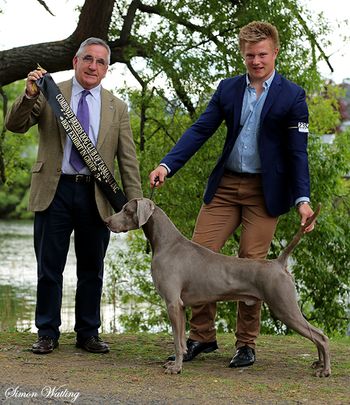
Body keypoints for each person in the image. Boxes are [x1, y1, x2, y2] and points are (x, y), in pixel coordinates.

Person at [149, 21, 316, 368]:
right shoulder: (227, 89)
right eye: (250, 55)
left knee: (253, 266)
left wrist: (302, 200)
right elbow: (200, 130)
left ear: (275, 52)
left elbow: (298, 153)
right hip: (225, 188)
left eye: (263, 55)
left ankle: (246, 344)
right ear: (242, 54)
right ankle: (201, 338)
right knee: (198, 255)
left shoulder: (292, 95)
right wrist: (167, 165)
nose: (256, 61)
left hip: (264, 193)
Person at [5, 37, 142, 354]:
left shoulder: (117, 107)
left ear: (107, 69)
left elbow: (128, 160)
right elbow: (15, 125)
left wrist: (134, 207)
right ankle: (47, 333)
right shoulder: (51, 92)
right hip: (55, 190)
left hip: (97, 194)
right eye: (88, 59)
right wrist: (28, 95)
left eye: (100, 62)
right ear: (75, 62)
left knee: (92, 268)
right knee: (48, 267)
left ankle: (88, 333)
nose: (93, 66)